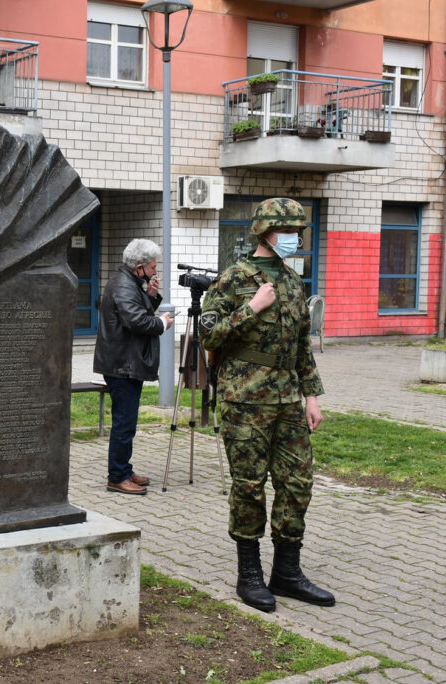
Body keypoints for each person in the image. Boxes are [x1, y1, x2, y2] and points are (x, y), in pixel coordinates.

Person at [199, 197, 334, 613]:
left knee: (297, 483)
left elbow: (302, 347)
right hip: (245, 399)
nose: (295, 239)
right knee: (249, 485)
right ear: (265, 232)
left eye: (298, 232)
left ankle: (287, 573)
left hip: (288, 399)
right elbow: (209, 335)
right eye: (288, 231)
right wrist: (252, 308)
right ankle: (250, 575)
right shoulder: (233, 279)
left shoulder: (294, 283)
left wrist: (311, 396)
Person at [94, 238, 173, 495]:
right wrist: (161, 324)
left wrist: (150, 296)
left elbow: (137, 311)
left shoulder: (129, 282)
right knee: (124, 423)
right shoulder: (124, 286)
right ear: (138, 267)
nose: (154, 272)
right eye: (152, 267)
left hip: (125, 362)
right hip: (122, 365)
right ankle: (116, 477)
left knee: (127, 421)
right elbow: (137, 321)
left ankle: (124, 470)